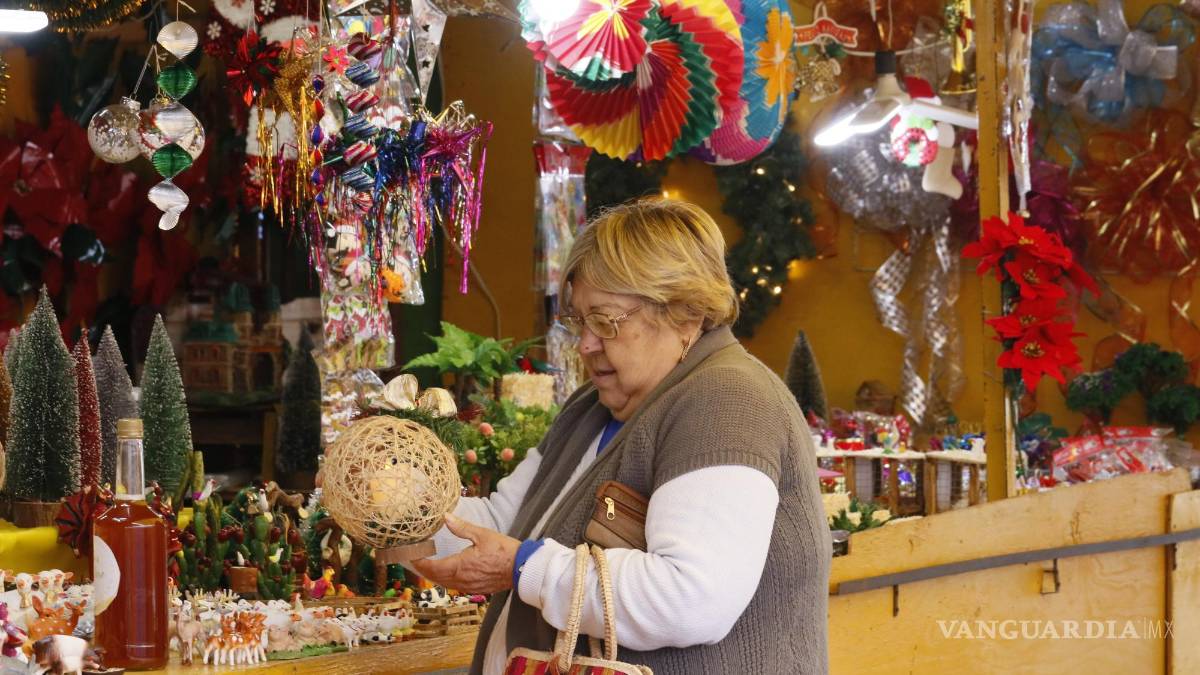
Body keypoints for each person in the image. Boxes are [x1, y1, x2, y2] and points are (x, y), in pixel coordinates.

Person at [413, 199, 831, 674]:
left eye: (605, 321)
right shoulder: (592, 408)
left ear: (686, 314)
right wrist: (398, 511)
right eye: (579, 321)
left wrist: (526, 567)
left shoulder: (727, 399)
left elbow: (689, 596)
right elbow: (499, 528)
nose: (586, 344)